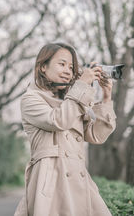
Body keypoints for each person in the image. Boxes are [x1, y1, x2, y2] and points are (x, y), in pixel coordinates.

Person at [14, 42, 116, 216]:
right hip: (52, 182)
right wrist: (82, 85)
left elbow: (95, 136)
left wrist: (106, 98)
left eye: (71, 67)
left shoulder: (70, 101)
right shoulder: (31, 99)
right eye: (62, 64)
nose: (68, 71)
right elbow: (59, 121)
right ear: (43, 67)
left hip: (80, 179)